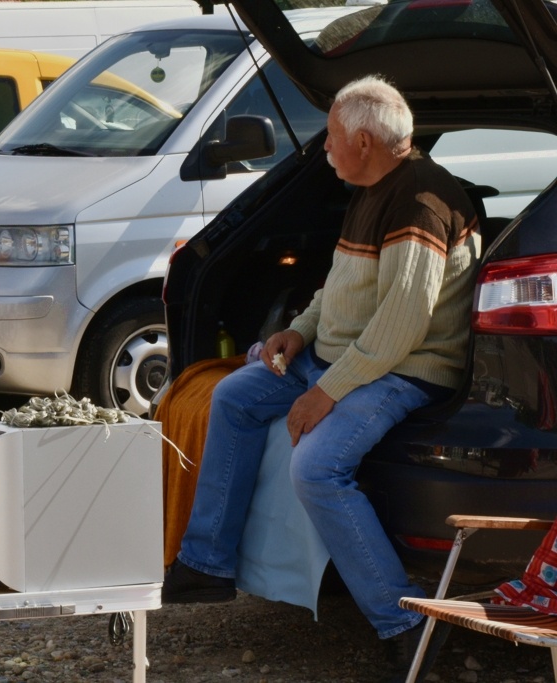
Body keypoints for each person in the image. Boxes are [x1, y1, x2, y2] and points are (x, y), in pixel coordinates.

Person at [161, 74, 481, 682]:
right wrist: (297, 333)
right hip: (341, 357)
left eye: (332, 137)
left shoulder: (421, 202)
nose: (325, 148)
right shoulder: (372, 186)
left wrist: (323, 394)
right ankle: (205, 565)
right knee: (233, 394)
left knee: (315, 468)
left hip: (405, 370)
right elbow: (338, 289)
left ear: (364, 140)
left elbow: (400, 328)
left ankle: (404, 626)